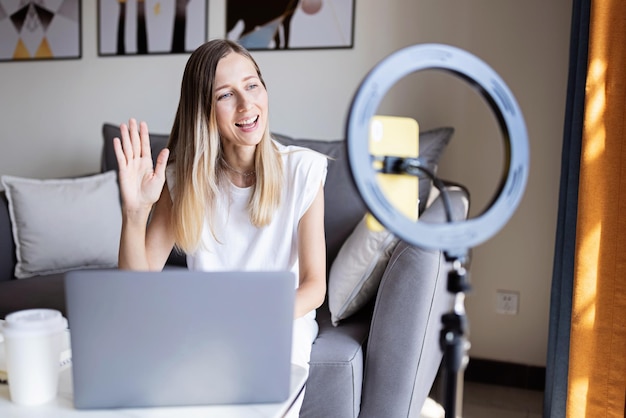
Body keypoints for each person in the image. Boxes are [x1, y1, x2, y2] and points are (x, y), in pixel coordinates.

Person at [113, 39, 327, 415]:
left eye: (252, 85)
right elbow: (135, 290)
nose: (247, 105)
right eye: (226, 95)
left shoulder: (303, 170)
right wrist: (134, 212)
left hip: (277, 330)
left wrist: (245, 321)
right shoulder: (182, 181)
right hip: (204, 338)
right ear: (204, 110)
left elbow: (314, 287)